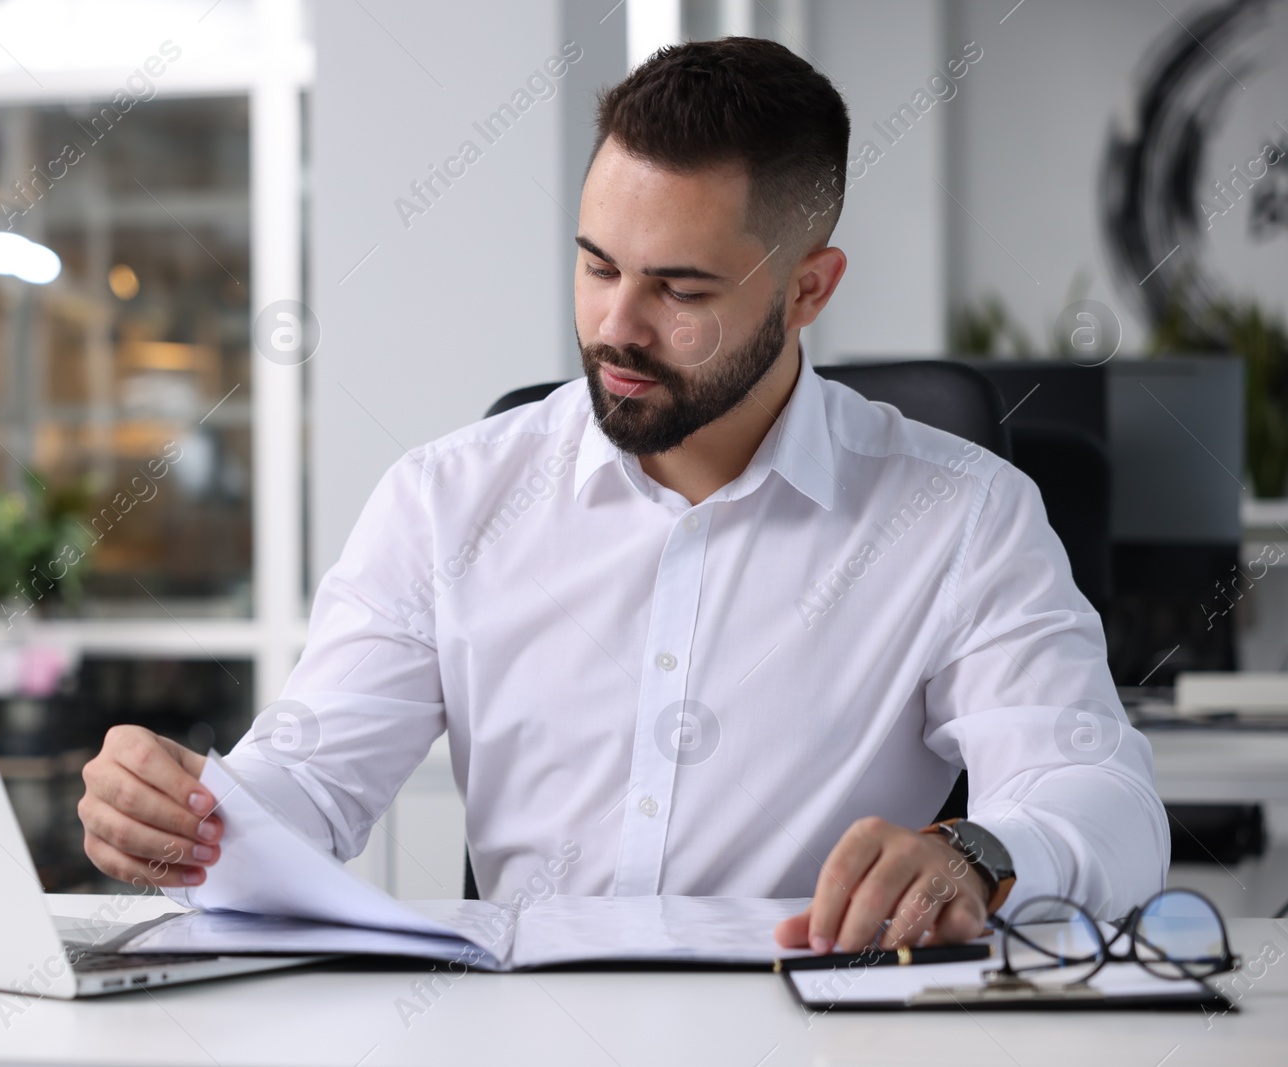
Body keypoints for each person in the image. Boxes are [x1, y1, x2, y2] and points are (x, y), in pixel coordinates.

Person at [79, 36, 1168, 955]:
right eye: (597, 266)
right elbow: (308, 782)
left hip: (808, 1037)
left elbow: (1105, 803)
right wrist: (186, 815)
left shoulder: (959, 517)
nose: (615, 329)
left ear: (807, 289)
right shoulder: (445, 499)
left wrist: (974, 854)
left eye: (679, 288)